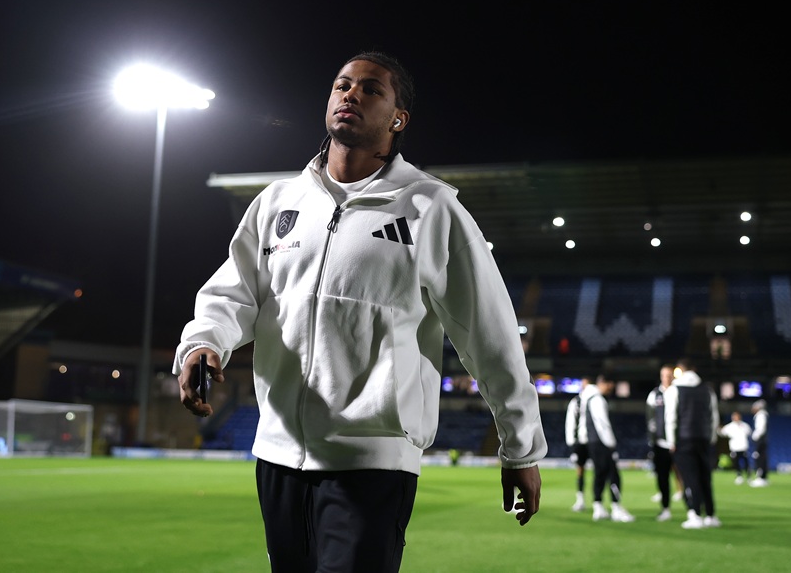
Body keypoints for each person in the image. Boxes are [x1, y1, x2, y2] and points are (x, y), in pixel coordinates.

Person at [172, 51, 547, 572]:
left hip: (372, 462)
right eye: (341, 85)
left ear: (398, 118)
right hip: (278, 455)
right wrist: (204, 341)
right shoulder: (279, 200)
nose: (350, 95)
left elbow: (491, 334)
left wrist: (521, 448)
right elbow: (233, 294)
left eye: (370, 89)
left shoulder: (430, 208)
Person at [664, 357, 720, 529]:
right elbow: (714, 417)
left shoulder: (675, 389)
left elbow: (671, 418)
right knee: (705, 477)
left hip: (684, 439)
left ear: (680, 369)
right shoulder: (707, 390)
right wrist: (711, 438)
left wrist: (671, 441)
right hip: (703, 438)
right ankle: (710, 515)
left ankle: (695, 514)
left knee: (689, 477)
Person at [585, 374, 636, 522]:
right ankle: (616, 507)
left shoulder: (590, 398)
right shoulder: (598, 399)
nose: (610, 389)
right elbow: (603, 424)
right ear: (603, 383)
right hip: (602, 443)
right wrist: (611, 444)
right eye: (609, 385)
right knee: (614, 475)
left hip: (593, 442)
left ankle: (598, 507)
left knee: (599, 474)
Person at [645, 363, 683, 521]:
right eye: (664, 376)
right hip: (660, 444)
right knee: (662, 477)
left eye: (669, 375)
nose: (666, 378)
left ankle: (692, 510)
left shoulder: (680, 392)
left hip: (679, 443)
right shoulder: (654, 395)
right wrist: (652, 440)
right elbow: (650, 419)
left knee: (684, 474)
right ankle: (665, 508)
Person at [564, 377, 591, 511]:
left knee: (601, 471)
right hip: (580, 442)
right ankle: (580, 500)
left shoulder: (596, 399)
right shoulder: (576, 402)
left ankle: (599, 502)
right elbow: (570, 423)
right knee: (580, 471)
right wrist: (572, 444)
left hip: (594, 441)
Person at [718, 411, 752, 484]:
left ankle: (749, 477)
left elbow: (749, 433)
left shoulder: (744, 425)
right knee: (736, 463)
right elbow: (722, 433)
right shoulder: (729, 426)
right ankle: (739, 476)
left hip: (743, 447)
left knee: (746, 463)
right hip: (734, 447)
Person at [750, 399, 770, 487]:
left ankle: (760, 478)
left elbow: (760, 429)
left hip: (760, 440)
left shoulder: (760, 415)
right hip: (763, 440)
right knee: (762, 457)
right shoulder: (763, 415)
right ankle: (763, 477)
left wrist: (755, 436)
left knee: (759, 458)